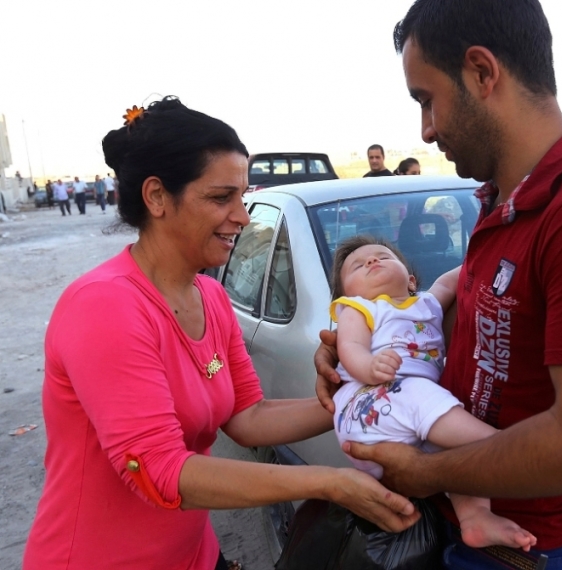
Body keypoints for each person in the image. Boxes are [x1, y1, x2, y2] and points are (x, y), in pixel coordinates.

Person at [316, 1, 562, 567]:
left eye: (426, 101)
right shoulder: (502, 201)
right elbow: (479, 341)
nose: (425, 131)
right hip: (474, 526)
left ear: (481, 72)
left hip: (526, 548)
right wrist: (363, 353)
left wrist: (428, 472)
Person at [22, 96, 418, 570]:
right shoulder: (104, 307)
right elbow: (162, 472)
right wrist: (327, 482)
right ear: (156, 197)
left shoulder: (210, 297)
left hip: (194, 555)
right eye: (220, 197)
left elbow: (247, 416)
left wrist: (362, 395)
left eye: (243, 196)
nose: (244, 217)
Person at [331, 234, 536, 551]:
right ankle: (501, 443)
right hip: (368, 402)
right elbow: (350, 346)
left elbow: (463, 272)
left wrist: (501, 249)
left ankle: (475, 517)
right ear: (347, 293)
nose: (372, 261)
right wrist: (368, 366)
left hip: (405, 418)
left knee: (453, 459)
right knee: (424, 397)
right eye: (358, 265)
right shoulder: (359, 308)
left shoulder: (426, 303)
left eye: (383, 257)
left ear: (410, 280)